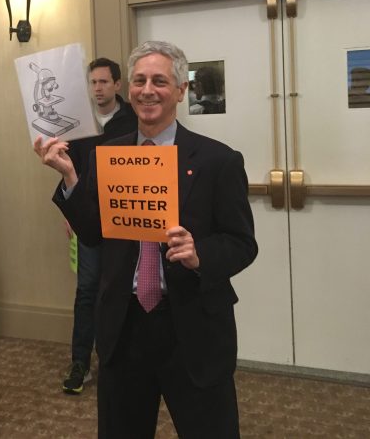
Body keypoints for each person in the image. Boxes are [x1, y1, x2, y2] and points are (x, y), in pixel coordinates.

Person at [34, 41, 258, 438]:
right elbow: (93, 233)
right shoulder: (108, 155)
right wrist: (70, 177)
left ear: (181, 90)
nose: (147, 90)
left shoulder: (217, 160)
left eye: (159, 81)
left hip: (192, 327)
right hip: (125, 327)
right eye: (139, 81)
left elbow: (242, 243)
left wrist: (200, 253)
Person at [62, 57, 137, 394]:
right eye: (93, 82)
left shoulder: (133, 120)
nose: (97, 88)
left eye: (104, 82)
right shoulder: (79, 122)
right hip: (88, 216)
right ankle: (80, 362)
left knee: (124, 288)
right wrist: (69, 212)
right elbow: (70, 168)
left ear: (117, 84)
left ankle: (119, 359)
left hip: (126, 218)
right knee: (87, 289)